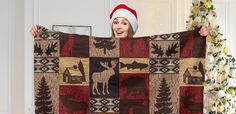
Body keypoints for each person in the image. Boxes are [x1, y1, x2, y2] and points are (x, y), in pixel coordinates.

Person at [30, 4, 208, 38]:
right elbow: (69, 42)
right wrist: (43, 33)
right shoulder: (99, 47)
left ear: (130, 27)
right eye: (116, 22)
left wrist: (197, 36)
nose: (119, 26)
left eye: (124, 22)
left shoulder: (143, 49)